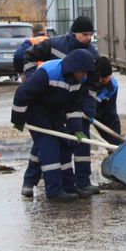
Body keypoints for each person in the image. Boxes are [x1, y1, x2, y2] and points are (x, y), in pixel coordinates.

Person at [20, 16, 100, 195]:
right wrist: (31, 76)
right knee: (46, 143)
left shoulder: (93, 57)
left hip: (73, 102)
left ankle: (81, 182)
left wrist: (88, 111)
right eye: (84, 34)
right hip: (49, 101)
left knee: (80, 141)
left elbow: (91, 88)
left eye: (90, 34)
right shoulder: (54, 44)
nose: (88, 38)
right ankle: (30, 181)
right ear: (73, 32)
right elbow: (28, 55)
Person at [11, 50, 96, 202]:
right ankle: (54, 191)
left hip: (56, 112)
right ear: (72, 68)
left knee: (64, 146)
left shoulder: (80, 80)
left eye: (86, 72)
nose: (84, 75)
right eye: (82, 71)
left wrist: (76, 129)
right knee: (49, 148)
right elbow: (22, 94)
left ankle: (69, 186)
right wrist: (18, 119)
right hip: (36, 111)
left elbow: (73, 105)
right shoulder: (47, 73)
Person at [93, 57, 122, 147]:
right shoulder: (88, 80)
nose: (103, 80)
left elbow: (111, 113)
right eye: (101, 77)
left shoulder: (112, 86)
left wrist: (114, 140)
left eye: (105, 77)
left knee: (114, 139)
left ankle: (114, 150)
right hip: (84, 110)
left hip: (102, 111)